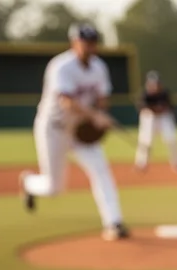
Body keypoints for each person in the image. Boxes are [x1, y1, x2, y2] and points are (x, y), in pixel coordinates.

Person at [19, 23, 128, 241]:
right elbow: (67, 102)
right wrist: (95, 116)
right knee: (54, 188)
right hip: (54, 129)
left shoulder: (99, 67)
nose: (90, 46)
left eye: (93, 42)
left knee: (101, 172)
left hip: (80, 130)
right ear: (74, 43)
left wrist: (102, 115)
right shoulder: (61, 66)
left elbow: (102, 99)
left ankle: (114, 222)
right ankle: (28, 182)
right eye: (85, 42)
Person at [135, 71, 177, 173]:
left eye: (156, 83)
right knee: (145, 140)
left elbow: (170, 107)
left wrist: (161, 110)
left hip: (163, 117)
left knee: (171, 139)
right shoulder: (145, 95)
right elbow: (143, 108)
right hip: (150, 118)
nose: (154, 86)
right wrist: (156, 109)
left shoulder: (164, 93)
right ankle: (141, 163)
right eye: (152, 84)